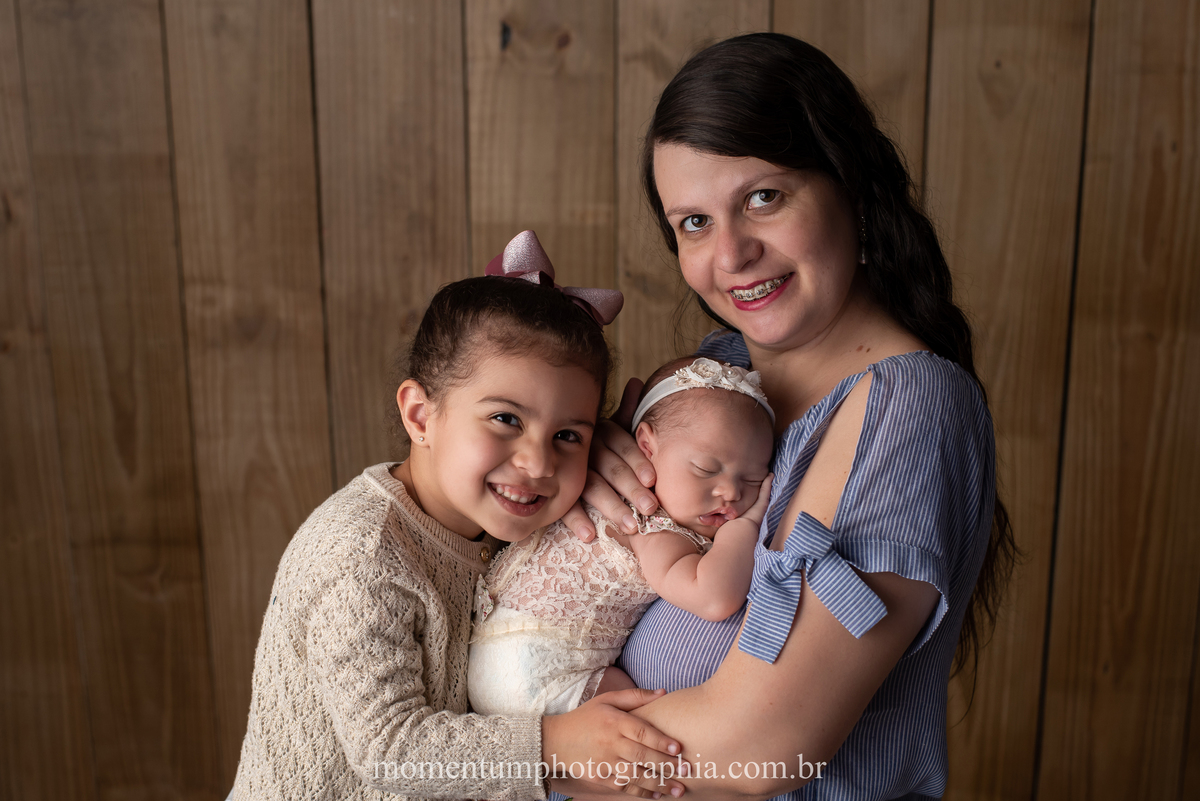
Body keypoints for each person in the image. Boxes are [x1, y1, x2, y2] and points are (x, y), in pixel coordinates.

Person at [555, 32, 1016, 800]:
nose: (729, 255)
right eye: (693, 223)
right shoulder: (717, 372)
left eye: (763, 197)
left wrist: (507, 750)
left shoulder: (910, 407)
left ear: (853, 189)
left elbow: (754, 754)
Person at [229, 230, 686, 800]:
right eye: (505, 419)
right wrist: (556, 741)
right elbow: (390, 751)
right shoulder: (362, 556)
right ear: (420, 416)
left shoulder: (494, 521)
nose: (539, 462)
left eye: (568, 434)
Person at [468, 355, 775, 717]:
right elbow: (713, 598)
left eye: (753, 479)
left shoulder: (595, 486)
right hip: (544, 679)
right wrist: (744, 527)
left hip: (489, 663)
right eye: (706, 469)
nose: (730, 492)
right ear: (645, 446)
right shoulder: (652, 526)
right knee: (649, 729)